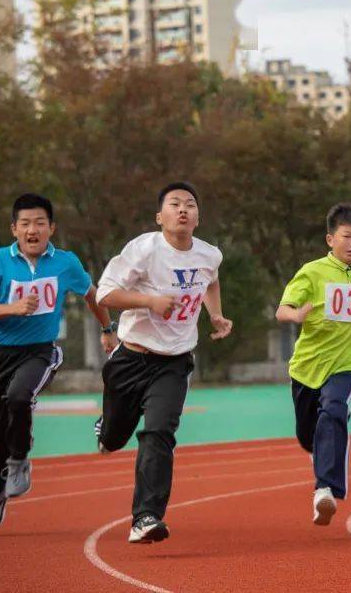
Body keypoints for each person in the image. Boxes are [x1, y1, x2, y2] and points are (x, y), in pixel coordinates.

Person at [0, 193, 117, 534]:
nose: (32, 230)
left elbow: (92, 295)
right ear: (14, 229)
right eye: (25, 224)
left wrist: (108, 329)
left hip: (40, 350)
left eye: (39, 223)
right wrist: (13, 307)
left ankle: (20, 460)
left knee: (20, 397)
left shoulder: (65, 263)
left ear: (51, 228)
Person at [94, 182, 232, 543]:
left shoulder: (209, 255)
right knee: (112, 438)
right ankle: (106, 425)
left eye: (190, 204)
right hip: (131, 357)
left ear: (198, 217)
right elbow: (105, 293)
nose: (183, 209)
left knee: (158, 433)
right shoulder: (143, 249)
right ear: (160, 216)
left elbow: (211, 282)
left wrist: (215, 314)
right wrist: (149, 301)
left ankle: (146, 517)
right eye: (174, 204)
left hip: (174, 362)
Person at [276, 203, 351, 526]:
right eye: (347, 236)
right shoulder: (312, 272)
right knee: (308, 437)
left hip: (349, 363)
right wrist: (295, 314)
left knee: (334, 409)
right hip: (307, 367)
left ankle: (325, 489)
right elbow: (282, 310)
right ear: (330, 239)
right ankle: (321, 460)